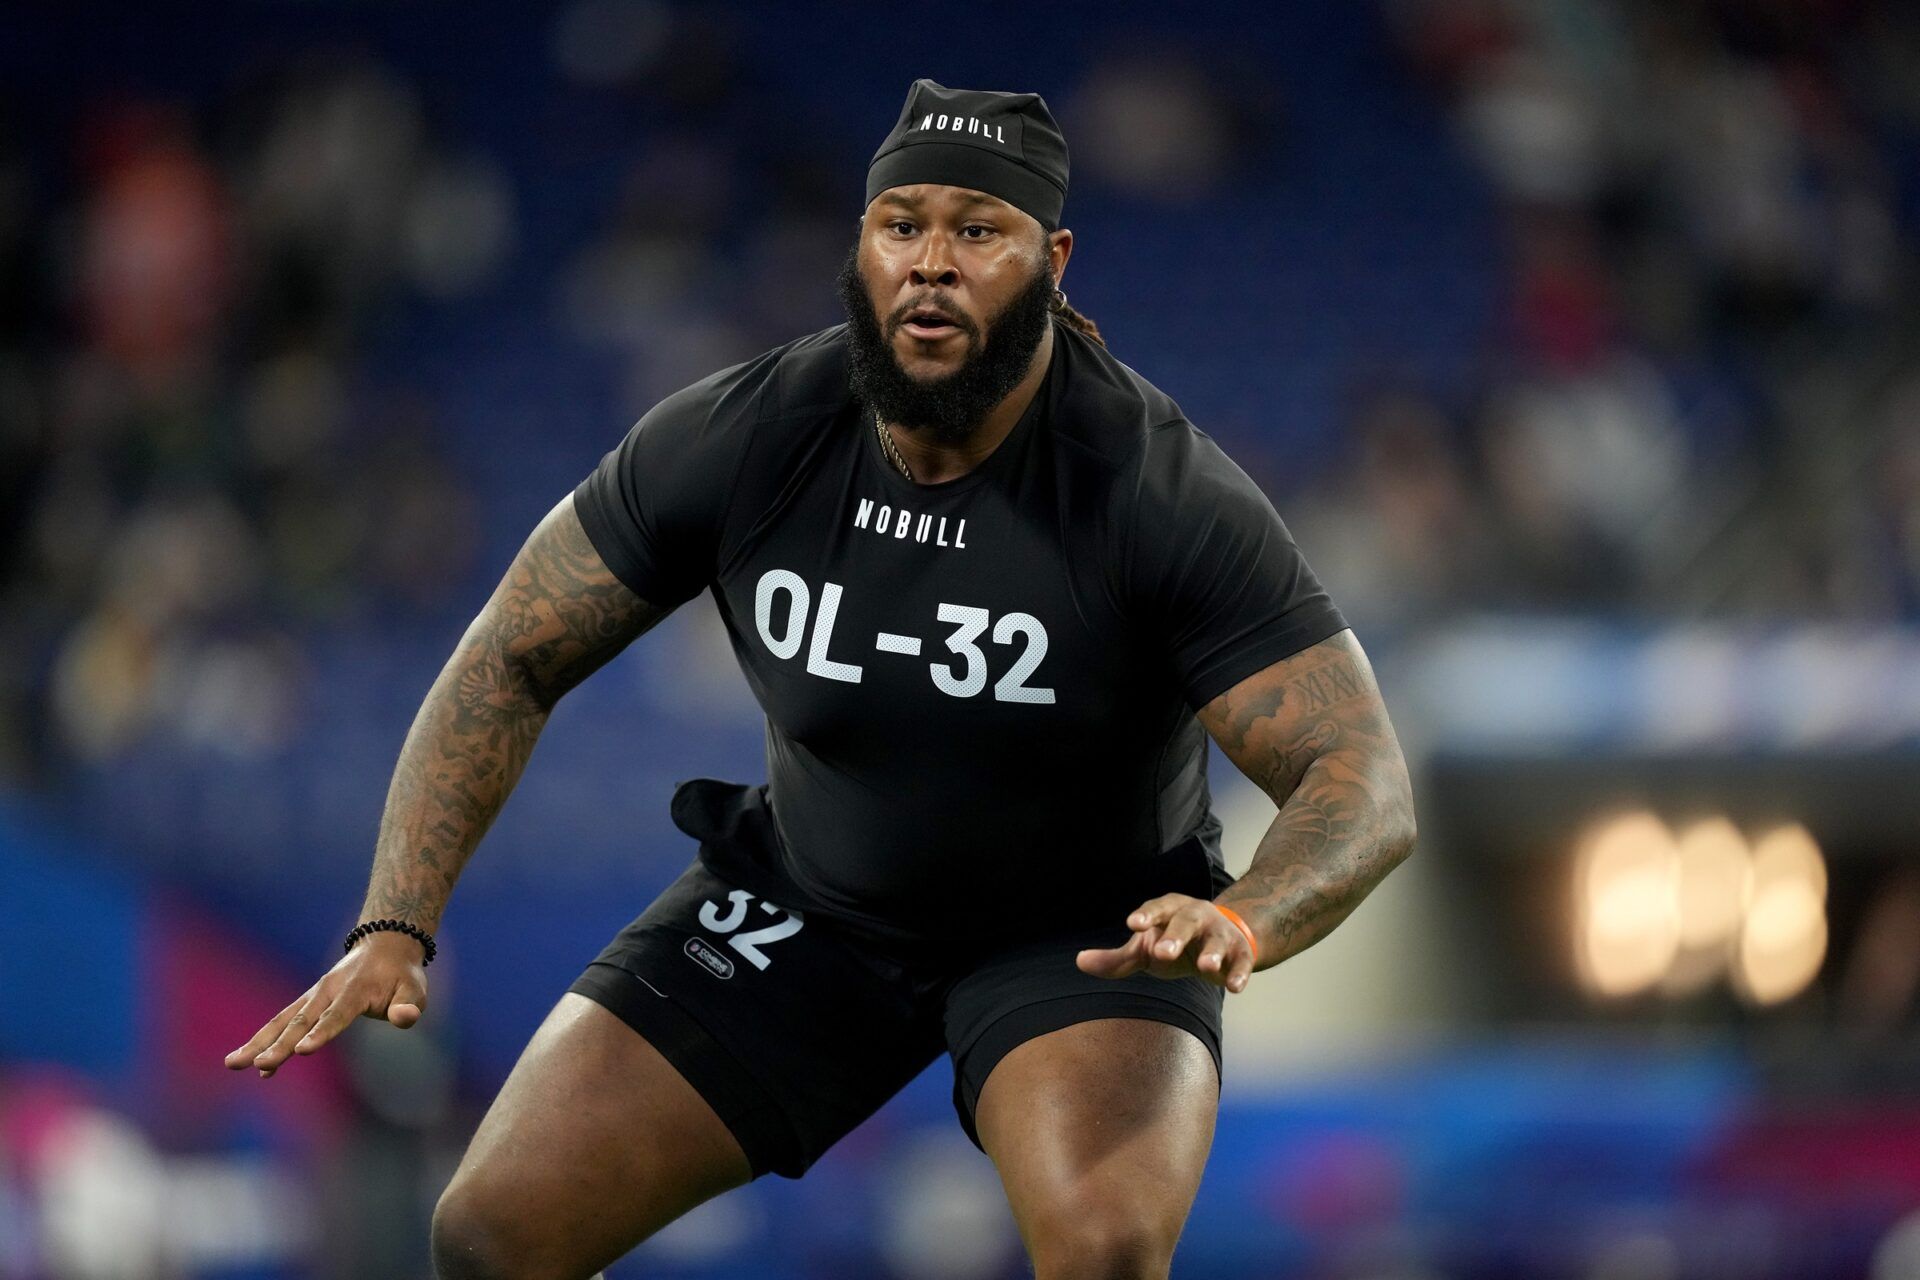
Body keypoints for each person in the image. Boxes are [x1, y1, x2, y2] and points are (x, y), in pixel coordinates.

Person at [226, 80, 1418, 1280]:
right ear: (859, 245)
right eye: (900, 224)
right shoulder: (750, 432)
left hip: (1085, 938)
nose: (931, 264)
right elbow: (511, 652)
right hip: (810, 904)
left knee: (1103, 1248)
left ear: (1052, 259)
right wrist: (395, 922)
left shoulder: (1158, 493)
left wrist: (1240, 917)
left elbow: (1360, 773)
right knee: (490, 1232)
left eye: (977, 230)